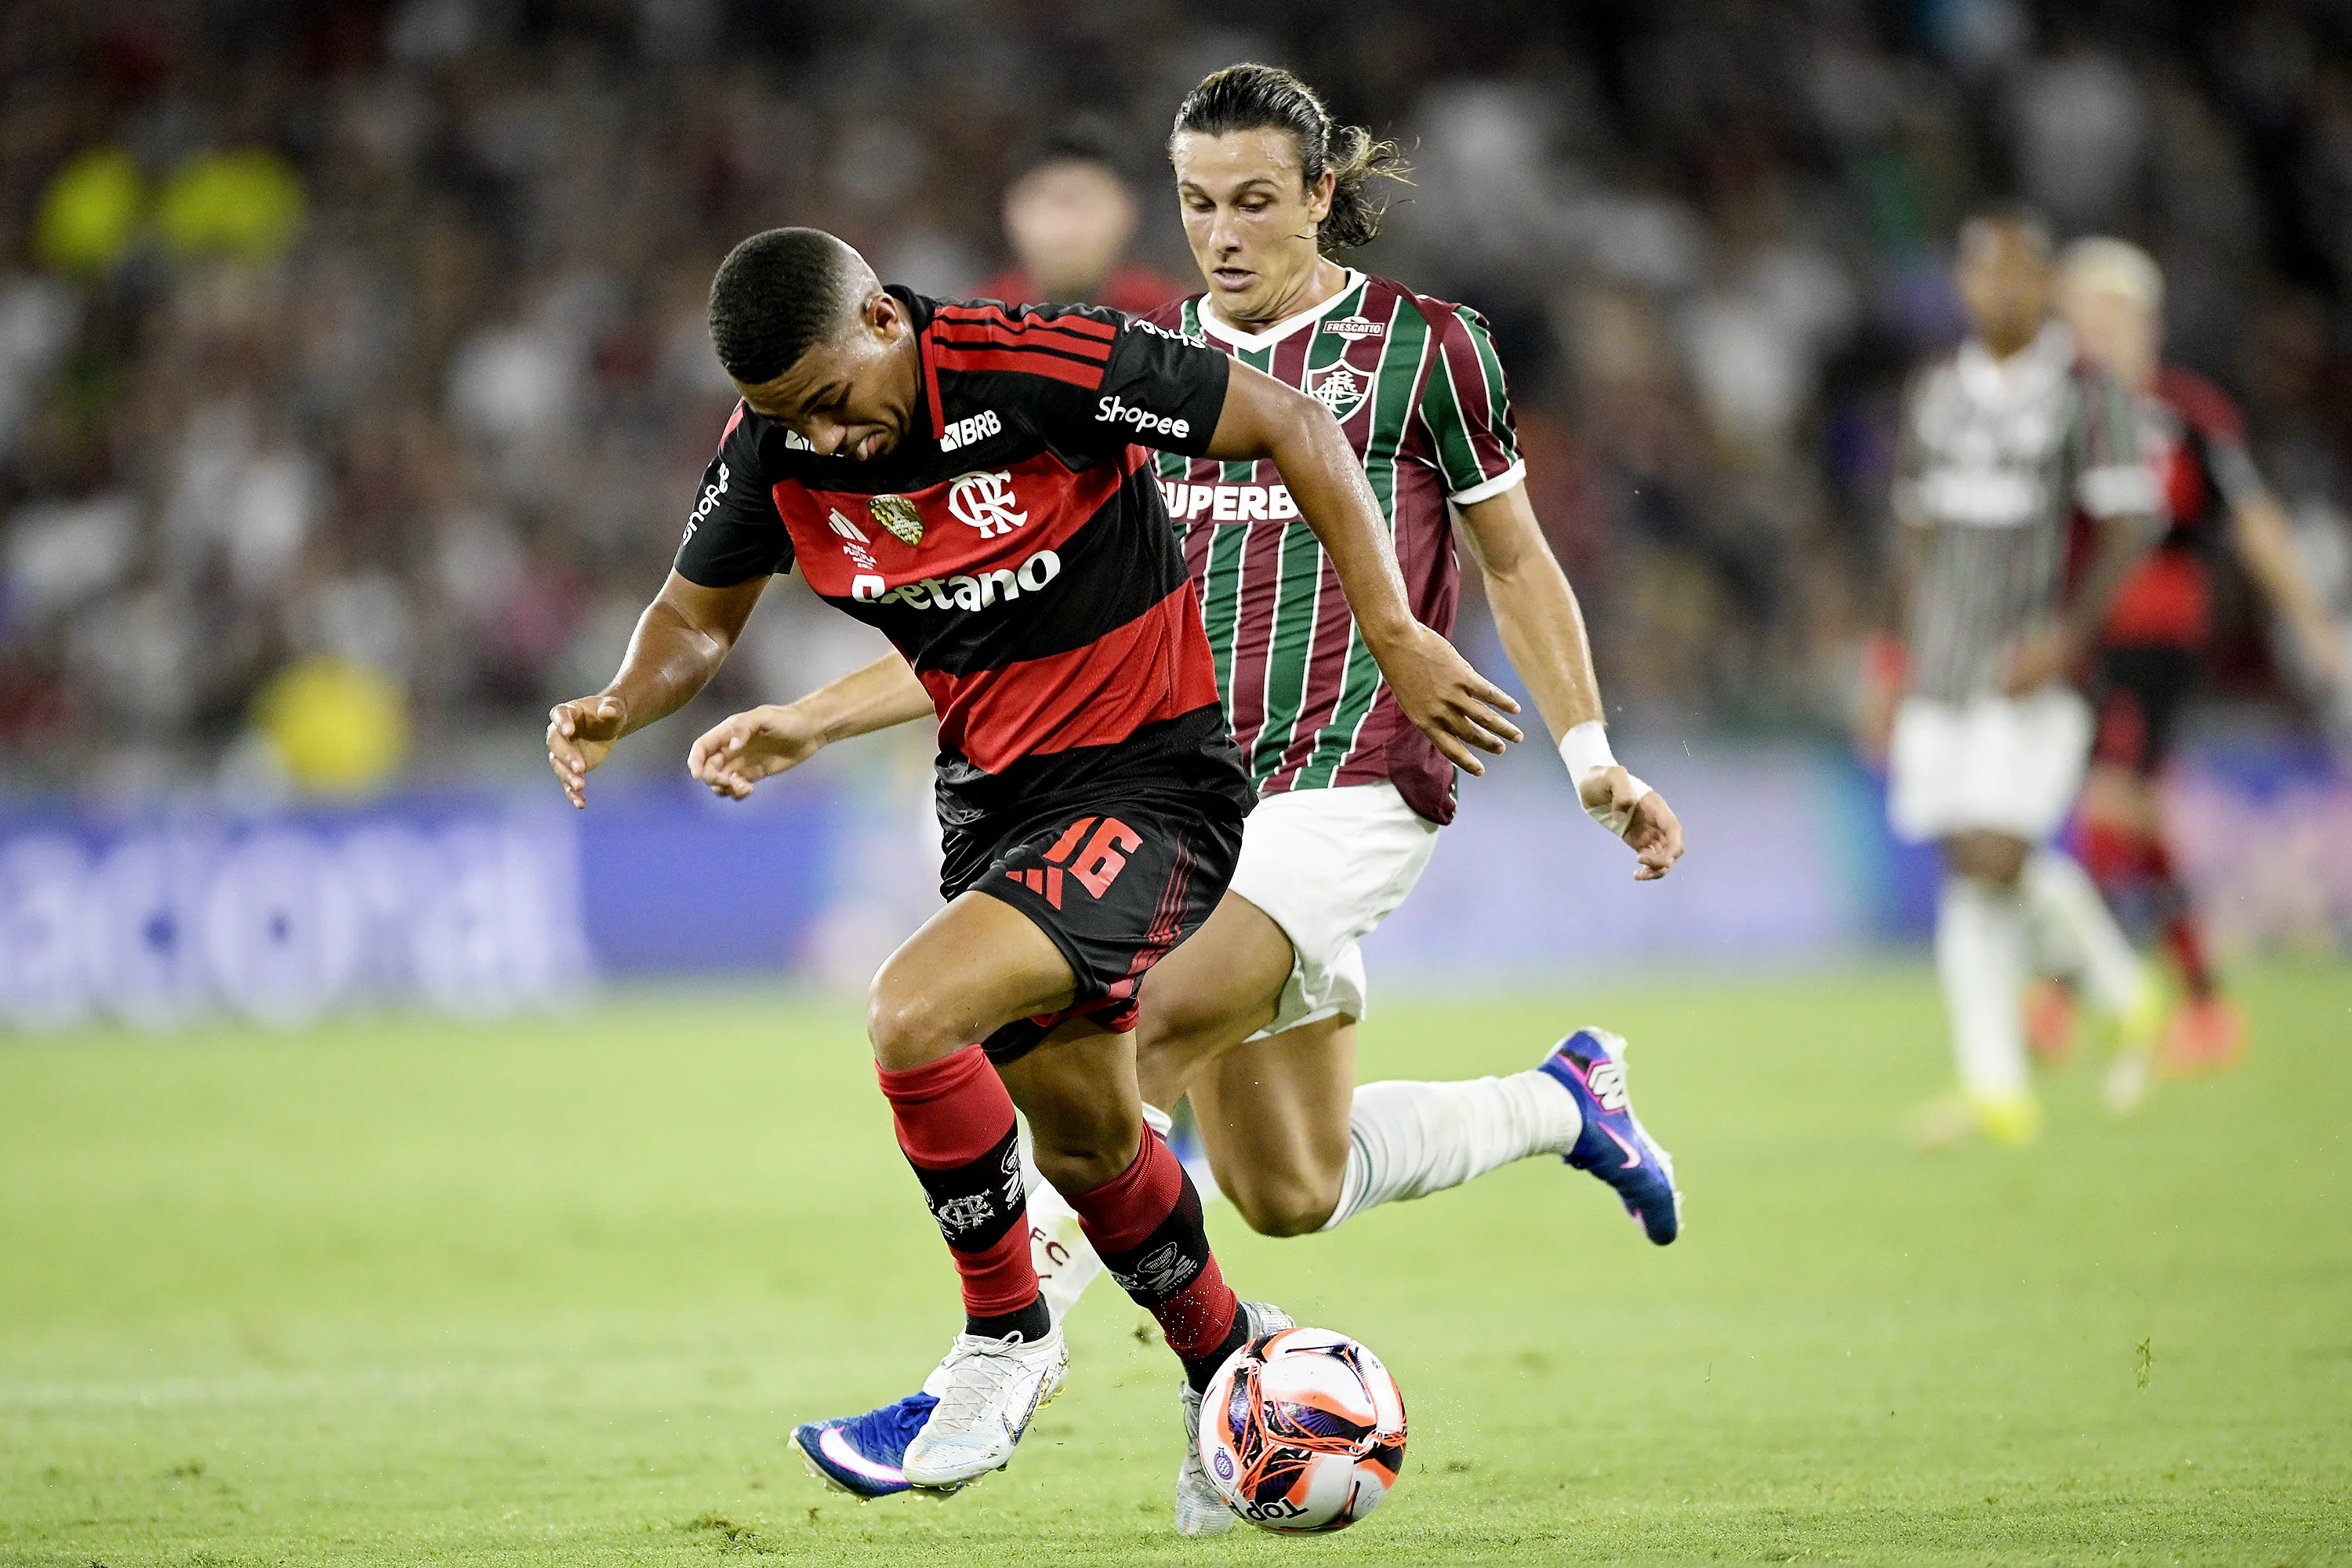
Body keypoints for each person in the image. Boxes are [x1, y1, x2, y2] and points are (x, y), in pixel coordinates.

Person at [691, 65, 1686, 1534]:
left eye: (1257, 203)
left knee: (1117, 1045)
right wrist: (815, 716)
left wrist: (1589, 751)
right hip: (1187, 790)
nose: (1225, 234)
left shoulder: (1426, 350)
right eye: (1200, 205)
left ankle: (1033, 1366)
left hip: (1352, 781)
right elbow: (1006, 623)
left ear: (1320, 196)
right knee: (1290, 1181)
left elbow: (1517, 561)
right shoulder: (1132, 368)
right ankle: (1565, 1102)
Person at [544, 227, 1519, 1493]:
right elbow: (690, 615)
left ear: (885, 323)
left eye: (834, 404)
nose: (825, 441)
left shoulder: (1038, 367)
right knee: (1092, 1143)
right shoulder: (774, 451)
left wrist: (1394, 628)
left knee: (911, 1011)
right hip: (993, 812)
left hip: (1153, 787)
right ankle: (1233, 1364)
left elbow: (1292, 422)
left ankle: (1006, 1342)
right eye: (790, 419)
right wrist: (627, 698)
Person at [1872, 209, 2167, 1149]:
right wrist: (1893, 656)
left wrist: (2068, 633)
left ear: (2046, 286)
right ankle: (1997, 1086)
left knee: (1991, 853)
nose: (2000, 290)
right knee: (1970, 873)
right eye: (1983, 274)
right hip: (1943, 663)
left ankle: (2121, 985)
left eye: (2020, 274)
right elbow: (1914, 531)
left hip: (2034, 669)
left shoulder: (2088, 393)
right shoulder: (1936, 392)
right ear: (1961, 286)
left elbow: (2132, 524)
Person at [2038, 238, 2347, 1074]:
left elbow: (2252, 521)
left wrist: (2313, 622)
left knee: (2111, 797)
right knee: (2132, 810)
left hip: (2161, 626)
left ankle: (2065, 995)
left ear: (2142, 319)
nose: (2087, 329)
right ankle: (2205, 1003)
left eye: (2103, 311)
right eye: (2076, 314)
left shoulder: (2187, 412)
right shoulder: (2059, 410)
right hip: (2085, 633)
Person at [971, 123, 1189, 315]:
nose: (1065, 226)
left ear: (1127, 210)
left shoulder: (1176, 326)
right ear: (1011, 212)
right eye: (1050, 201)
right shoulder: (968, 330)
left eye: (1085, 202)